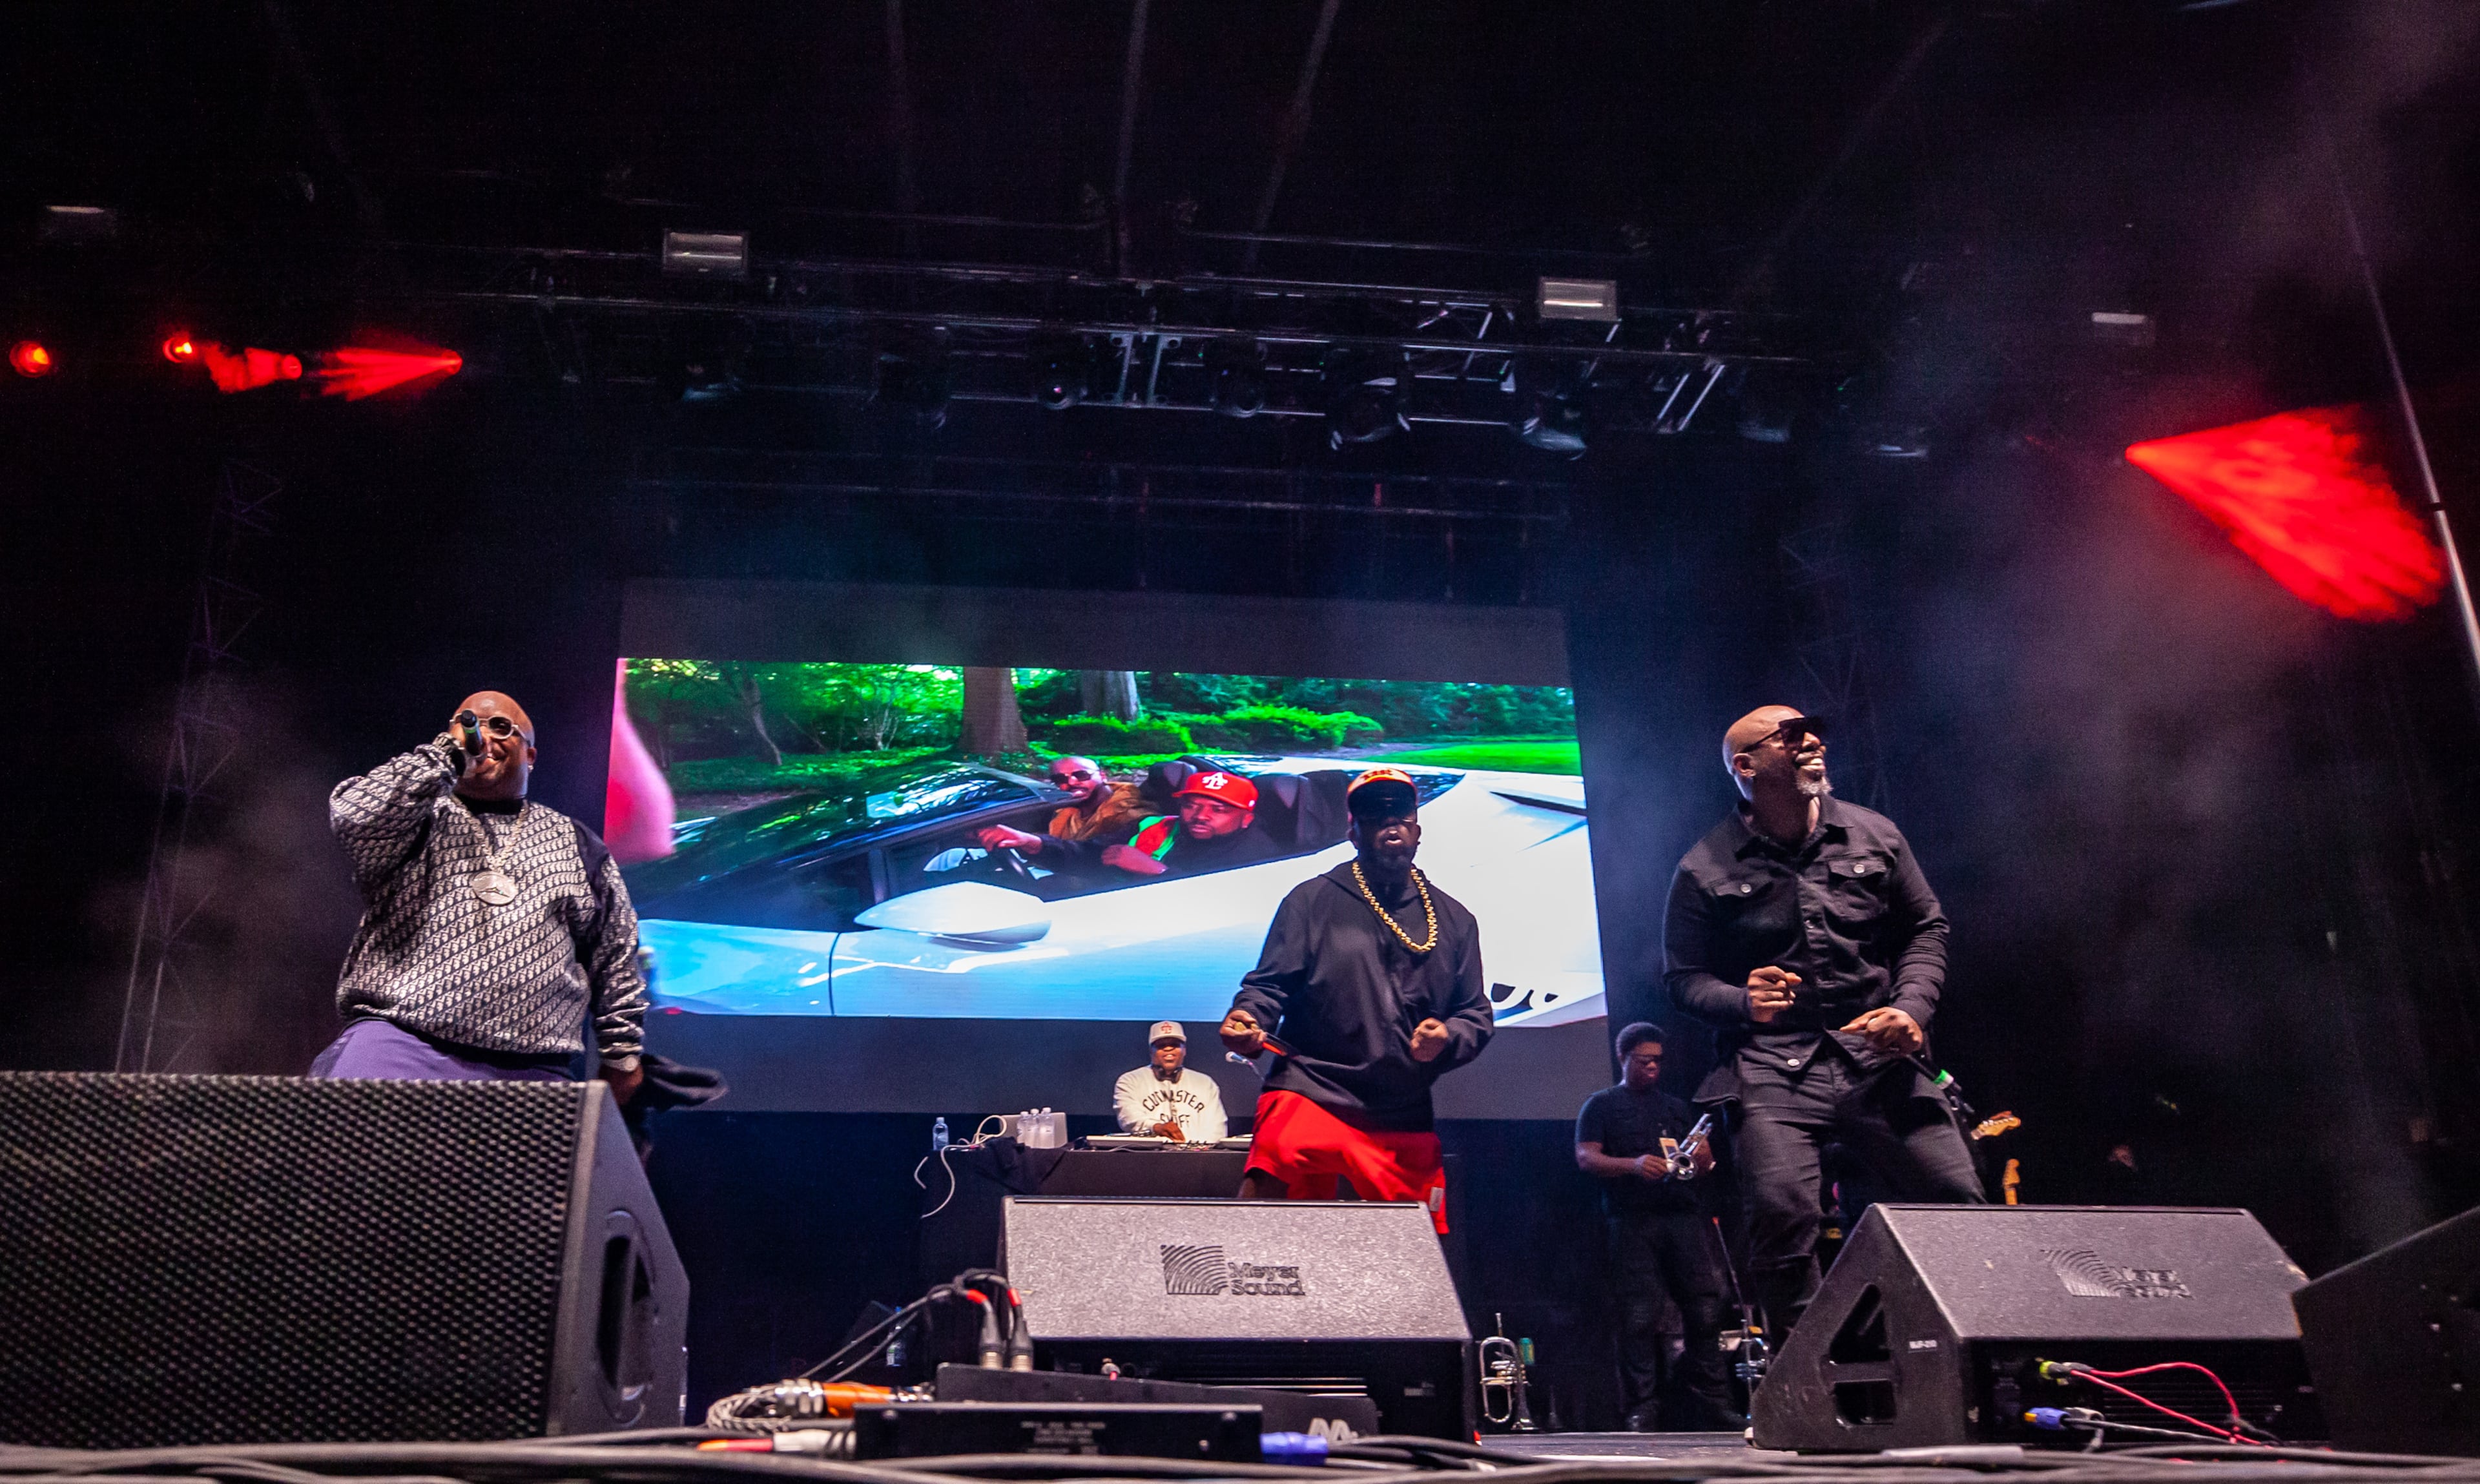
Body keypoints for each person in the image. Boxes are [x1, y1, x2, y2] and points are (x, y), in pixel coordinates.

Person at [1666, 706, 1981, 1343]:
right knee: (1782, 1219)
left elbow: (1927, 928)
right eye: (1791, 737)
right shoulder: (1705, 867)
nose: (1812, 742)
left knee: (1960, 1198)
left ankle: (1978, 1366)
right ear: (1746, 767)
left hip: (1878, 1058)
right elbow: (1682, 978)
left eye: (1814, 733)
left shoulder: (1875, 836)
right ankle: (1814, 1388)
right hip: (1773, 1070)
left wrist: (1913, 1010)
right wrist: (1740, 1001)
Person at [311, 690, 646, 1102]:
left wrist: (622, 1054)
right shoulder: (417, 817)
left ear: (530, 756)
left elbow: (614, 951)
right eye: (468, 722)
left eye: (502, 728)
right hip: (401, 1043)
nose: (483, 734)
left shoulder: (577, 842)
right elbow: (353, 815)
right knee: (338, 1150)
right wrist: (446, 756)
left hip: (531, 1066)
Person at [1220, 767, 1492, 1233]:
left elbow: (1475, 1013)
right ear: (1352, 831)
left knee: (1419, 1247)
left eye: (1400, 813)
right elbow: (1269, 986)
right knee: (1269, 1197)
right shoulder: (1311, 900)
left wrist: (1447, 1037)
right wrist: (1247, 1017)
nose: (1389, 823)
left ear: (1417, 830)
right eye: (1372, 815)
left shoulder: (1455, 919)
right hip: (1313, 1086)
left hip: (1400, 1103)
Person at [1575, 1023, 1740, 1432]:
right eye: (1644, 1060)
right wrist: (1632, 1165)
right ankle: (1642, 1406)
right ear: (1623, 1058)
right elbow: (1585, 1157)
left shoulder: (1676, 1108)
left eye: (1658, 1061)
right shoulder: (1601, 1105)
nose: (1652, 1067)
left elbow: (1696, 1163)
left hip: (1682, 1217)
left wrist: (1703, 1159)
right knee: (1639, 1315)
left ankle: (1712, 1401)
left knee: (1704, 1309)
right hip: (1632, 1220)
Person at [988, 769, 1282, 880]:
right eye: (1192, 805)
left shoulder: (1261, 856)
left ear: (1246, 819)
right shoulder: (1156, 825)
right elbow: (1089, 855)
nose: (1199, 815)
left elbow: (1223, 910)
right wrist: (1032, 843)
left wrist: (1158, 870)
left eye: (1218, 809)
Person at [975, 756, 1147, 855]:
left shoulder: (1133, 814)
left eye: (1081, 775)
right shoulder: (1064, 809)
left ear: (1102, 776)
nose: (1071, 782)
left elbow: (1092, 853)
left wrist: (1032, 842)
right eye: (1061, 779)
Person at [1112, 1020, 1230, 1142]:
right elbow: (1128, 1117)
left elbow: (1217, 1127)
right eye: (1161, 1045)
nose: (1168, 1049)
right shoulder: (1130, 1081)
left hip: (1197, 1156)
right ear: (1151, 1051)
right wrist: (1156, 1127)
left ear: (1184, 1050)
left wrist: (1201, 1153)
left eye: (1175, 1045)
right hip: (1149, 1156)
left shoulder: (1205, 1083)